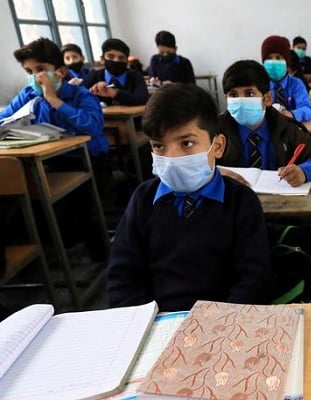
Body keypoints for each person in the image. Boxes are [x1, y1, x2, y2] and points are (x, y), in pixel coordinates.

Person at [106, 83, 272, 311]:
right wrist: (144, 323)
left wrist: (220, 324)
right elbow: (122, 277)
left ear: (218, 146)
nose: (172, 157)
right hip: (156, 325)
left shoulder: (241, 201)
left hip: (223, 325)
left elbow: (254, 278)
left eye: (186, 143)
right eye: (159, 146)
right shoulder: (143, 200)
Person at [218, 60, 311, 187]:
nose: (241, 100)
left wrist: (305, 171)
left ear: (268, 99)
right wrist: (215, 173)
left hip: (281, 202)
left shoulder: (284, 127)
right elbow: (197, 162)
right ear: (226, 99)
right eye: (233, 95)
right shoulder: (216, 130)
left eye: (249, 94)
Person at [1, 37, 107, 164]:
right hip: (47, 158)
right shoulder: (28, 94)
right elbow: (4, 118)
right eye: (29, 71)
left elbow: (94, 128)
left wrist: (53, 99)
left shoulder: (82, 95)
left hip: (86, 158)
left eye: (40, 69)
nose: (35, 77)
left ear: (61, 72)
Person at [261, 35, 311, 122]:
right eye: (269, 58)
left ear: (287, 63)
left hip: (291, 128)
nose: (274, 62)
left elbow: (307, 109)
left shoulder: (296, 84)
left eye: (278, 58)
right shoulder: (259, 84)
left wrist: (291, 114)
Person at [83, 38, 149, 106]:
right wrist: (91, 92)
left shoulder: (135, 76)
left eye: (121, 58)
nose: (116, 60)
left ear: (127, 61)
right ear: (102, 59)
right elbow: (77, 97)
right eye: (111, 56)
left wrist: (115, 93)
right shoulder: (94, 76)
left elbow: (143, 99)